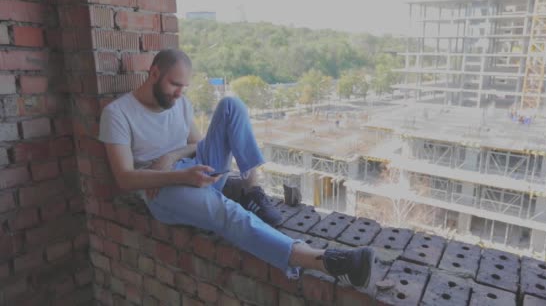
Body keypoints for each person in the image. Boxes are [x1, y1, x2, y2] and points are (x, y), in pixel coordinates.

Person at [98, 49, 374, 287]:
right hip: (161, 191)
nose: (179, 94)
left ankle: (252, 189)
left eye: (184, 87)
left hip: (190, 170)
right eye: (174, 85)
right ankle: (324, 261)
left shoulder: (180, 103)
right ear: (154, 73)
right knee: (228, 213)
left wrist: (170, 155)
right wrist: (175, 174)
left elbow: (197, 145)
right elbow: (123, 179)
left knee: (232, 104)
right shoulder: (118, 113)